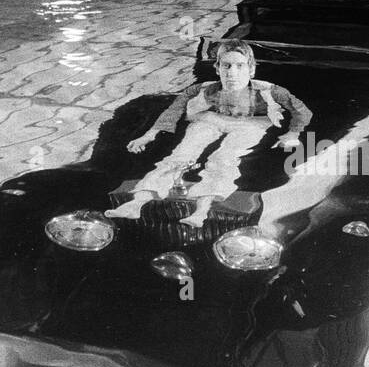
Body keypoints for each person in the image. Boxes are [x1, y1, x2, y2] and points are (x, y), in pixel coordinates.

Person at [105, 41, 312, 228]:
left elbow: (302, 110)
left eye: (240, 66)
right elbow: (173, 111)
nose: (232, 73)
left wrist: (292, 133)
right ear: (217, 68)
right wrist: (149, 135)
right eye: (226, 66)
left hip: (251, 123)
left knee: (224, 158)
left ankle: (202, 210)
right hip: (211, 119)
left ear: (251, 69)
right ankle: (137, 202)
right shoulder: (202, 89)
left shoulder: (270, 90)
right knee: (180, 156)